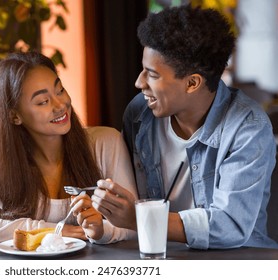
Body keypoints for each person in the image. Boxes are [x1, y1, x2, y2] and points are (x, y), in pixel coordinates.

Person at [91, 4, 278, 249]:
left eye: (152, 74)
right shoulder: (139, 113)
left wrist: (139, 218)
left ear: (192, 83)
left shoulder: (248, 128)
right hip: (159, 256)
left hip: (236, 260)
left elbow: (230, 225)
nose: (139, 82)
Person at [0, 51, 137, 246]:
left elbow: (134, 223)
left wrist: (100, 231)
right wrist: (52, 230)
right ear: (14, 116)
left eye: (60, 90)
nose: (60, 105)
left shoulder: (105, 143)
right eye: (43, 101)